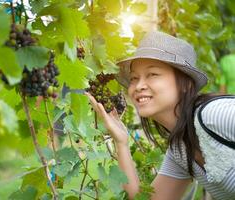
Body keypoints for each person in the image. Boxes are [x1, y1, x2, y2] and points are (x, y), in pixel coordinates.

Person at [85, 31, 235, 200]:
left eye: (153, 74)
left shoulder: (213, 115)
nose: (139, 85)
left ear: (185, 83)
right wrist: (121, 142)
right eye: (134, 78)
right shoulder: (180, 150)